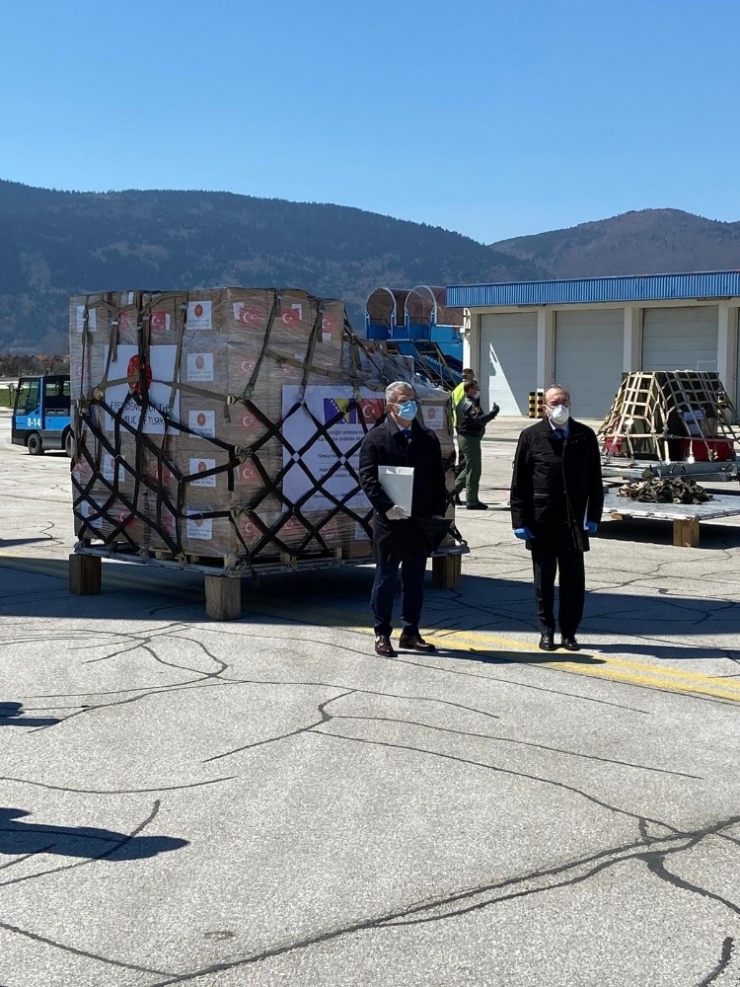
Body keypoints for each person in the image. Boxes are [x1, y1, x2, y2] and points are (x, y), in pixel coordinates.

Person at [509, 384, 603, 652]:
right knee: (544, 580)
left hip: (574, 522)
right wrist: (520, 521)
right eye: (554, 402)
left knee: (574, 581)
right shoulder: (531, 436)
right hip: (542, 520)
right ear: (544, 406)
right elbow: (520, 484)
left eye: (564, 401)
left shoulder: (584, 436)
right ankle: (546, 631)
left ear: (570, 403)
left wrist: (594, 515)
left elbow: (595, 480)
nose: (559, 406)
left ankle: (569, 633)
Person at [359, 380, 448, 657]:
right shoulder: (376, 439)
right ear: (389, 406)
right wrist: (385, 507)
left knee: (414, 579)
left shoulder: (427, 438)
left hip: (419, 521)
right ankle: (382, 633)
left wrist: (437, 511)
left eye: (412, 399)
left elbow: (437, 478)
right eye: (403, 400)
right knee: (385, 578)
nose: (409, 404)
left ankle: (411, 632)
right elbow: (367, 478)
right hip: (390, 523)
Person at [454, 380, 500, 510]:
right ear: (469, 390)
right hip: (470, 438)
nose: (477, 390)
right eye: (475, 388)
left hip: (465, 437)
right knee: (474, 470)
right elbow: (479, 420)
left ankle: (452, 492)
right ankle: (472, 500)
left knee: (469, 467)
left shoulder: (463, 402)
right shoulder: (471, 403)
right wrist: (493, 413)